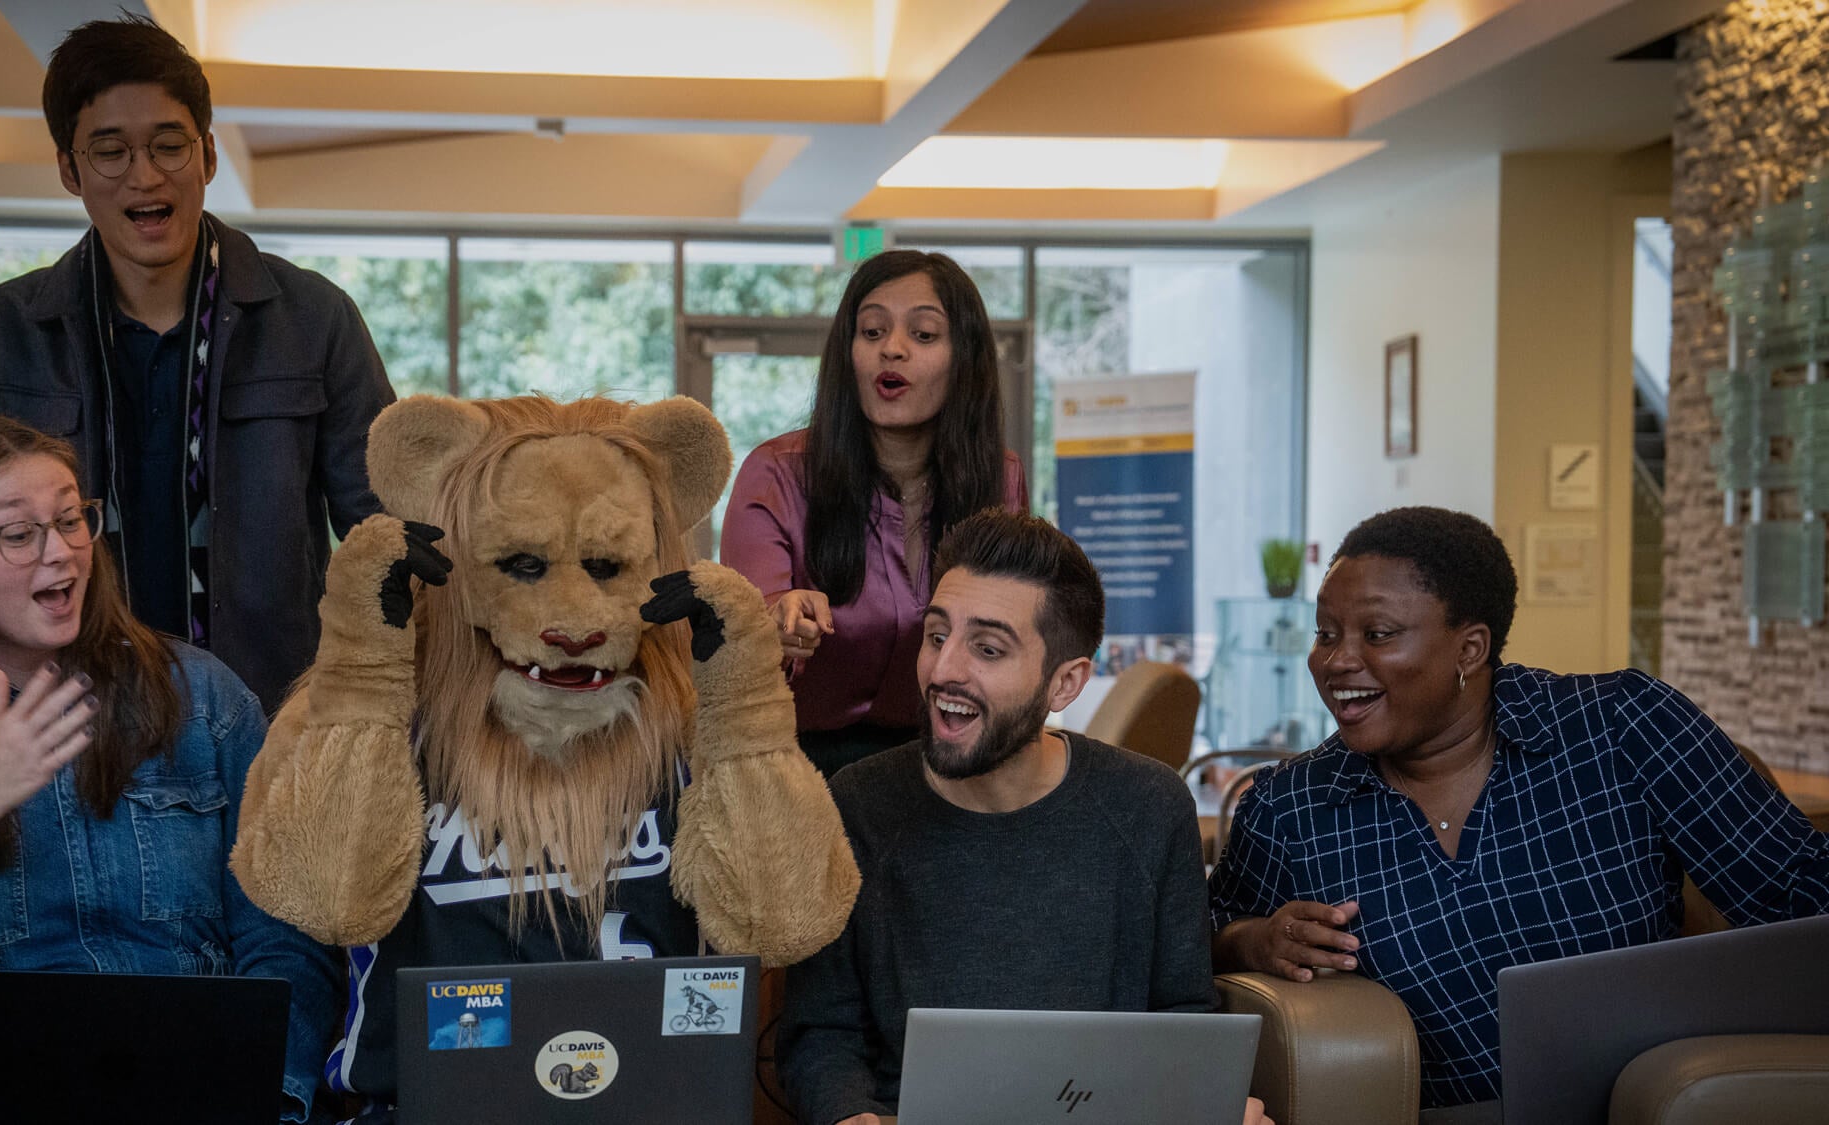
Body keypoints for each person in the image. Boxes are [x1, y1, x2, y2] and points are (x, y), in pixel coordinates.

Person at [1207, 505, 1829, 1111]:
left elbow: (1800, 894)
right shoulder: (1291, 804)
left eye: (1378, 635)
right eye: (1326, 633)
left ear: (1470, 649)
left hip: (1643, 1100)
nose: (1336, 660)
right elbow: (1194, 945)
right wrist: (1254, 941)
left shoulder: (1621, 728)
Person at [0, 416, 340, 1123]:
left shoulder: (203, 695)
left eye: (72, 519)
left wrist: (271, 1094)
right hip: (5, 1094)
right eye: (18, 533)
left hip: (206, 1086)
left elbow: (285, 927)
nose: (61, 553)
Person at [0, 15, 394, 712]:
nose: (146, 175)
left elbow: (386, 530)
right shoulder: (9, 331)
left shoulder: (314, 318)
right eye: (111, 151)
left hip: (271, 718)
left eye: (169, 145)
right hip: (67, 720)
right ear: (70, 169)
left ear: (209, 156)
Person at [777, 510, 1264, 1125]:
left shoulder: (1149, 806)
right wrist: (851, 1116)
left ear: (1065, 684)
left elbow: (1183, 1015)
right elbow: (821, 1032)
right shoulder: (857, 804)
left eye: (987, 648)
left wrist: (1207, 1103)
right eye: (935, 636)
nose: (944, 670)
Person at [722, 250, 1028, 777]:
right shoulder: (776, 474)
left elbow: (1014, 630)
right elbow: (738, 637)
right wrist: (776, 619)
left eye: (924, 335)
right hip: (791, 770)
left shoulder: (999, 477)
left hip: (947, 767)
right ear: (849, 352)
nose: (892, 349)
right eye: (872, 332)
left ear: (964, 360)